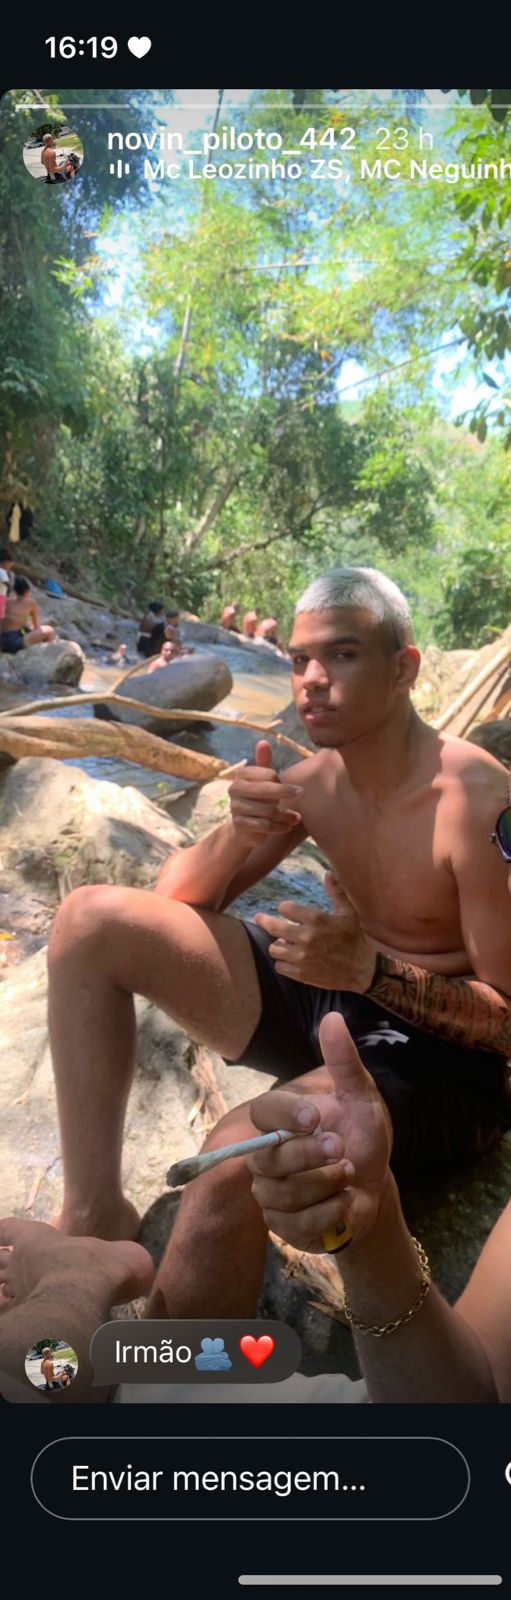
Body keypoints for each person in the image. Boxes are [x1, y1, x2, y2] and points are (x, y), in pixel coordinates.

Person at [45, 566, 511, 1326]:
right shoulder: (315, 782)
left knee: (237, 1153)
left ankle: (172, 1371)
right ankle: (95, 1214)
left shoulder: (478, 803)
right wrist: (238, 832)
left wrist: (372, 971)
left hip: (441, 1065)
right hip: (340, 998)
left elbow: (507, 1025)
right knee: (89, 921)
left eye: (342, 655)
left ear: (404, 668)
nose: (312, 680)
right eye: (299, 660)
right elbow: (172, 904)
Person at [0, 577, 56, 653]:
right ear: (27, 591)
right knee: (49, 630)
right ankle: (48, 654)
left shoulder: (7, 600)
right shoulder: (31, 603)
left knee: (27, 629)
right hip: (14, 643)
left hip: (2, 640)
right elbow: (37, 626)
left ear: (15, 590)